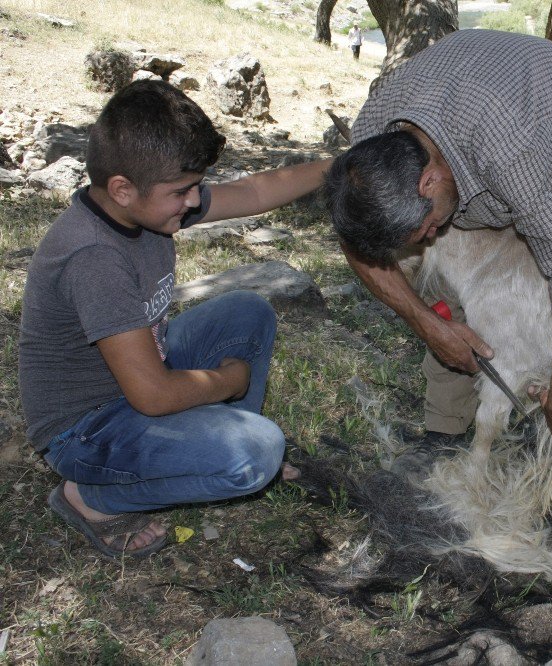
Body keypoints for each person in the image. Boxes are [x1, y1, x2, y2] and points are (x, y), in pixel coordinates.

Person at [18, 80, 332, 558]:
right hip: (85, 429)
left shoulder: (145, 206)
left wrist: (335, 167)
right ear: (122, 188)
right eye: (183, 191)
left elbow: (252, 191)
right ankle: (91, 496)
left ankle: (208, 445)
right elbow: (154, 395)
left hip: (137, 380)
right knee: (257, 453)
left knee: (247, 311)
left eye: (196, 187)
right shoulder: (93, 257)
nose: (194, 201)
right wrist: (227, 382)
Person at [324, 30, 552, 469]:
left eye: (425, 228)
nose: (428, 240)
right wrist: (428, 324)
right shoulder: (370, 149)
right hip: (482, 131)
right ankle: (446, 426)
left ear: (428, 181)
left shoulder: (518, 147)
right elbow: (358, 240)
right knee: (455, 281)